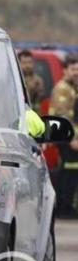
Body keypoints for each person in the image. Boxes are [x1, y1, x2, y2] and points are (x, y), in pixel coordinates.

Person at [50, 54, 78, 218]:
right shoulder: (63, 89)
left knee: (71, 173)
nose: (76, 73)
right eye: (73, 69)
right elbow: (63, 116)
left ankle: (67, 207)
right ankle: (64, 208)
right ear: (65, 70)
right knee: (67, 174)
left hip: (68, 137)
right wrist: (72, 139)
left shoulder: (71, 88)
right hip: (65, 137)